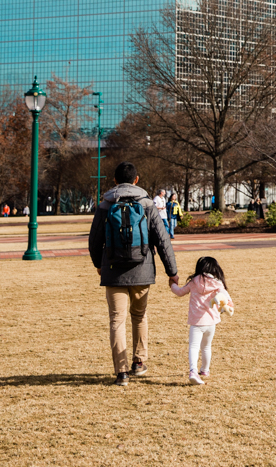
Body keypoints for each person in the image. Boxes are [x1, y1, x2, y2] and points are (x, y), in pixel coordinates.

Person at [88, 161, 179, 386]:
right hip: (142, 269)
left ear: (114, 180)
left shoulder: (105, 204)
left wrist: (98, 264)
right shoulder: (148, 203)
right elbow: (163, 239)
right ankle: (139, 362)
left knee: (116, 320)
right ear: (136, 180)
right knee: (139, 316)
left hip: (112, 270)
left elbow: (94, 239)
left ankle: (121, 372)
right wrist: (172, 271)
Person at [170, 255, 233, 386]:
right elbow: (225, 296)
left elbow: (180, 292)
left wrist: (172, 284)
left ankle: (193, 371)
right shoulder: (217, 283)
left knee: (194, 346)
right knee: (206, 347)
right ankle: (205, 370)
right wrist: (229, 304)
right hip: (211, 322)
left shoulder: (194, 281)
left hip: (196, 322)